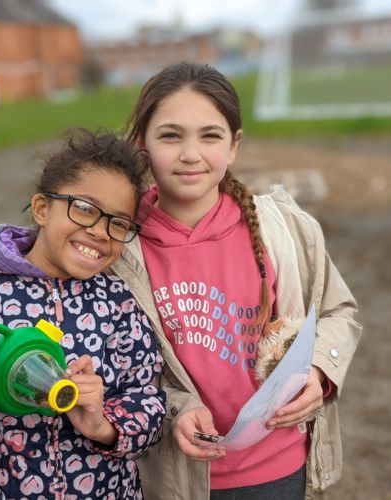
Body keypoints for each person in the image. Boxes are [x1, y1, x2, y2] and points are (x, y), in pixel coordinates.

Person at [110, 62, 362, 500]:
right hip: (172, 478)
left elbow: (338, 311)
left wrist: (319, 369)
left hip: (279, 469)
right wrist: (174, 409)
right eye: (171, 136)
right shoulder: (118, 249)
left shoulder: (284, 229)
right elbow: (113, 365)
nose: (191, 154)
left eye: (210, 135)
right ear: (142, 145)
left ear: (233, 146)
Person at [0, 128, 166, 499]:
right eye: (84, 208)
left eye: (118, 223)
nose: (101, 232)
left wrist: (102, 425)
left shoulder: (120, 303)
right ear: (41, 208)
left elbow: (150, 408)